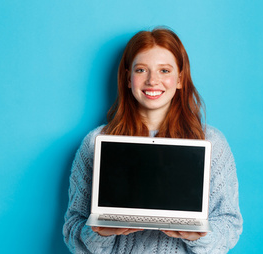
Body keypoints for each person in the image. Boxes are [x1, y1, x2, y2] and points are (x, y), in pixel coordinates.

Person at [63, 27, 242, 253]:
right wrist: (98, 232)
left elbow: (230, 224)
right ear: (128, 78)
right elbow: (72, 229)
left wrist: (200, 236)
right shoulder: (96, 141)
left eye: (165, 70)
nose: (152, 80)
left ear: (180, 78)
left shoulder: (212, 142)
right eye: (141, 70)